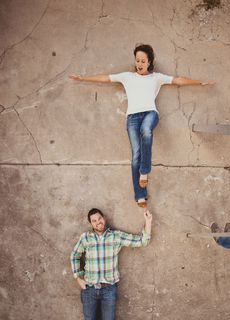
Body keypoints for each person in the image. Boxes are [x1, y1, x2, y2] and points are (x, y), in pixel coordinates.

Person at [69, 44, 214, 208]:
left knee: (146, 131)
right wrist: (83, 78)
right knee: (136, 155)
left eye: (143, 61)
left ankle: (144, 172)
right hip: (132, 118)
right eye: (137, 60)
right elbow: (106, 78)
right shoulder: (127, 77)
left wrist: (199, 82)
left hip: (150, 114)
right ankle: (140, 195)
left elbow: (178, 80)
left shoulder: (156, 78)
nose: (139, 63)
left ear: (149, 62)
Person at [70, 207, 153, 320]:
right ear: (90, 224)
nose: (98, 222)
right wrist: (78, 278)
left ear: (104, 219)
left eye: (99, 219)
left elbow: (142, 241)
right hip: (90, 289)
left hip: (109, 290)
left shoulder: (115, 237)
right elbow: (74, 255)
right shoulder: (86, 238)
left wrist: (148, 222)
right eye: (94, 221)